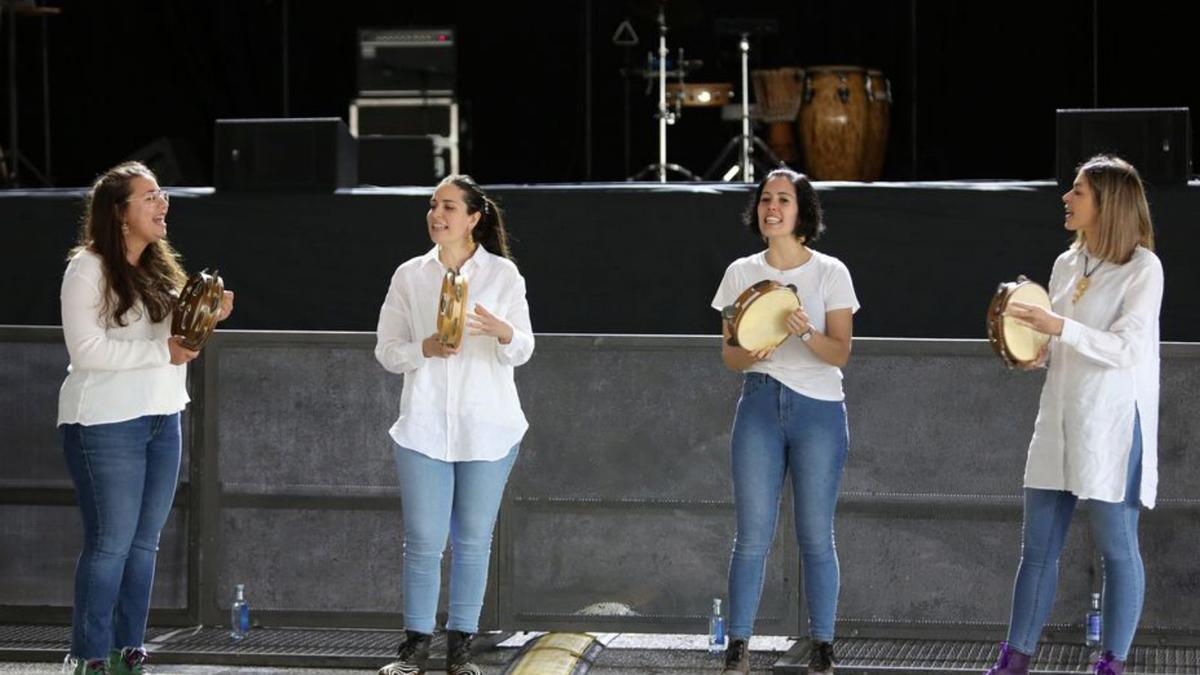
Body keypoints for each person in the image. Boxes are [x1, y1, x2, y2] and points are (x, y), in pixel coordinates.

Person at [986, 155, 1163, 675]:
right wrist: (1038, 351)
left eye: (1078, 191)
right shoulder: (1067, 263)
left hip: (1108, 425)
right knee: (1036, 548)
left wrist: (1058, 327)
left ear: (1107, 203)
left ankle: (1113, 663)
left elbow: (1127, 349)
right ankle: (1014, 659)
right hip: (1059, 417)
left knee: (1116, 547)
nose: (1066, 197)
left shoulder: (1142, 268)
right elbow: (1062, 337)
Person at [58, 161, 233, 674]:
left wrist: (209, 313)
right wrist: (166, 353)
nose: (164, 205)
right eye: (151, 197)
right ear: (119, 213)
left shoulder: (159, 269)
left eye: (163, 195)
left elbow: (179, 338)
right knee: (110, 543)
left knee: (143, 543)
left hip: (162, 416)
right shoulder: (87, 268)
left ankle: (126, 648)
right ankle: (86, 655)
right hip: (104, 422)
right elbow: (86, 349)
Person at [374, 175, 534, 675]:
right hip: (422, 427)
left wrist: (504, 332)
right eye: (431, 206)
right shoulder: (409, 275)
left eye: (447, 206)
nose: (436, 214)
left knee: (472, 541)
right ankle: (415, 648)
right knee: (423, 540)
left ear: (473, 218)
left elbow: (524, 349)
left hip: (488, 429)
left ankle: (460, 649)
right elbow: (386, 350)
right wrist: (424, 347)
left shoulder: (504, 276)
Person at [710, 168, 859, 675]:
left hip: (818, 410)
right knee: (751, 534)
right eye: (765, 199)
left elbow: (839, 353)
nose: (771, 207)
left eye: (783, 200)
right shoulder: (739, 272)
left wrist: (806, 333)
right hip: (759, 403)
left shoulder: (830, 272)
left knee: (817, 533)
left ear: (802, 212)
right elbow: (730, 356)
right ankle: (738, 646)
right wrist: (753, 350)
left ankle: (822, 644)